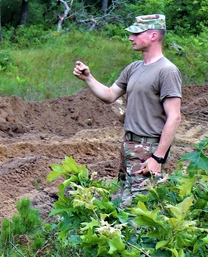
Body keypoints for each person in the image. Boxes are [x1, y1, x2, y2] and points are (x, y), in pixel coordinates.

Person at [73, 13, 182, 205]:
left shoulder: (167, 71)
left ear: (153, 36)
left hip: (148, 149)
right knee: (125, 202)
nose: (131, 38)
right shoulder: (134, 68)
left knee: (139, 210)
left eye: (136, 33)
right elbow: (109, 95)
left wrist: (158, 157)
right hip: (129, 145)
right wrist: (88, 78)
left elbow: (174, 117)